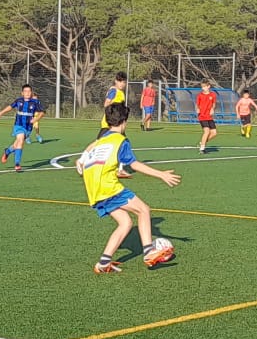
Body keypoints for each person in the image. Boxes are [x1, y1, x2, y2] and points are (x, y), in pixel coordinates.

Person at [78, 102, 181, 272]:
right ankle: (148, 251)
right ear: (124, 122)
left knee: (125, 222)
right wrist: (161, 174)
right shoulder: (121, 140)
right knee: (143, 210)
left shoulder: (102, 139)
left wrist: (80, 161)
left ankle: (103, 263)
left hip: (93, 190)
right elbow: (134, 164)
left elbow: (90, 152)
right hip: (107, 187)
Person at [0, 84, 44, 170]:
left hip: (28, 127)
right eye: (25, 91)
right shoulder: (19, 101)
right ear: (22, 93)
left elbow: (42, 112)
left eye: (29, 91)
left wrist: (36, 119)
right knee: (21, 140)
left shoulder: (35, 102)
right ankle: (17, 164)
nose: (27, 93)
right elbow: (10, 107)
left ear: (31, 92)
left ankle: (7, 151)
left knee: (16, 144)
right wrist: (0, 113)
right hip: (18, 125)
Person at [193, 81, 219, 153]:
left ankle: (202, 142)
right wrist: (197, 109)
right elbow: (197, 104)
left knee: (214, 133)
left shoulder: (213, 95)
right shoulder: (200, 95)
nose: (203, 88)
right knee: (207, 131)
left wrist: (212, 109)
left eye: (204, 86)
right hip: (202, 116)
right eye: (202, 87)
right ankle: (202, 149)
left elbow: (214, 103)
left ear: (208, 86)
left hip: (209, 117)